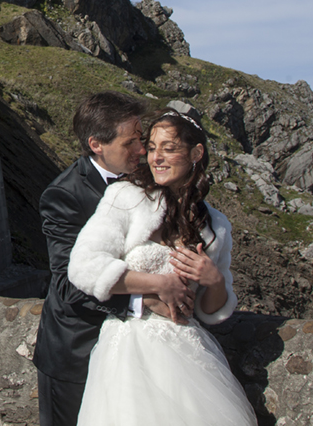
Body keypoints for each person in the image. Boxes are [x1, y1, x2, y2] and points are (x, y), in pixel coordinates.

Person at [68, 109, 258, 425]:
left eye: (168, 148)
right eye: (152, 147)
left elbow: (210, 311)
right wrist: (157, 284)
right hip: (131, 348)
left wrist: (214, 281)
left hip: (188, 351)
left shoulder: (217, 226)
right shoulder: (125, 196)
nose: (156, 157)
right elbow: (84, 267)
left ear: (196, 153)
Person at [32, 92, 194, 426]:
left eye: (142, 140)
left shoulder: (149, 180)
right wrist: (145, 300)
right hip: (77, 352)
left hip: (138, 355)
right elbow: (67, 284)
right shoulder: (64, 196)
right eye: (131, 143)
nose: (142, 151)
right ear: (97, 145)